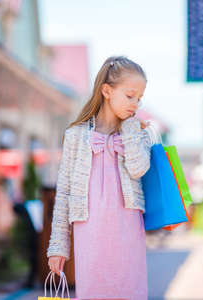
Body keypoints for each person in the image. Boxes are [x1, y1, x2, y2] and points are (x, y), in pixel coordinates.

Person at [46, 56, 160, 300]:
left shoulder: (136, 134)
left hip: (128, 229)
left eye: (139, 98)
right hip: (90, 231)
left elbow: (139, 169)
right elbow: (64, 193)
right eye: (130, 96)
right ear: (106, 91)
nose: (135, 104)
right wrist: (58, 247)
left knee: (130, 291)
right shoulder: (76, 135)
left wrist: (130, 129)